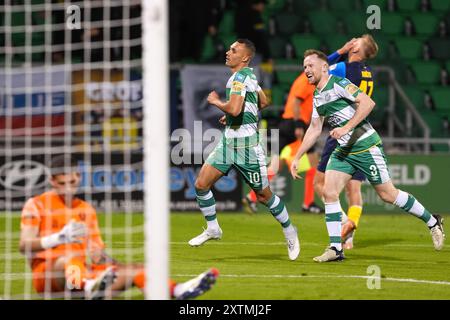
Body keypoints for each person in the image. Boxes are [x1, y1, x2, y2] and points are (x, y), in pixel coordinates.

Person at [290, 49, 445, 262]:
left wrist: (346, 128)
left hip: (365, 146)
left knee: (388, 195)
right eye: (304, 66)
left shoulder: (339, 83)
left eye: (310, 65)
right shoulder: (317, 95)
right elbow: (315, 128)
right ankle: (335, 249)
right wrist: (298, 156)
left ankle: (433, 221)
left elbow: (368, 103)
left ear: (324, 67)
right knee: (329, 192)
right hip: (343, 150)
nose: (306, 69)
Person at [19, 154, 218, 299]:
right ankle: (90, 287)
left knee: (137, 270)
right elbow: (24, 245)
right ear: (52, 181)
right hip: (48, 277)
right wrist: (58, 238)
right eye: (63, 183)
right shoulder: (36, 204)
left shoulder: (86, 209)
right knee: (67, 259)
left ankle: (177, 290)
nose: (69, 188)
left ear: (79, 176)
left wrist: (117, 268)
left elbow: (97, 254)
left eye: (73, 181)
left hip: (81, 274)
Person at [189, 39, 300, 261]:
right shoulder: (250, 75)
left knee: (263, 196)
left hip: (247, 147)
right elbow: (264, 101)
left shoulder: (239, 78)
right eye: (229, 49)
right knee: (201, 184)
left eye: (234, 50)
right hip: (228, 143)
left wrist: (216, 102)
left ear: (245, 57)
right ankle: (213, 229)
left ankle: (290, 230)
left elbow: (235, 106)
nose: (228, 52)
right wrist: (233, 114)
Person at [315, 34, 378, 249]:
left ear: (357, 50)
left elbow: (318, 72)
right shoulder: (367, 72)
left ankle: (344, 224)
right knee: (354, 190)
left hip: (342, 131)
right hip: (362, 133)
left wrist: (340, 51)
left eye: (356, 41)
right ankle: (350, 234)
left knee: (320, 184)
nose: (352, 41)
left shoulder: (343, 68)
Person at [243, 72, 322, 214]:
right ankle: (308, 203)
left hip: (286, 122)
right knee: (314, 163)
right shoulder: (306, 80)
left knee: (276, 165)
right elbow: (297, 102)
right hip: (296, 123)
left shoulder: (303, 78)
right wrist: (298, 125)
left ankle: (251, 197)